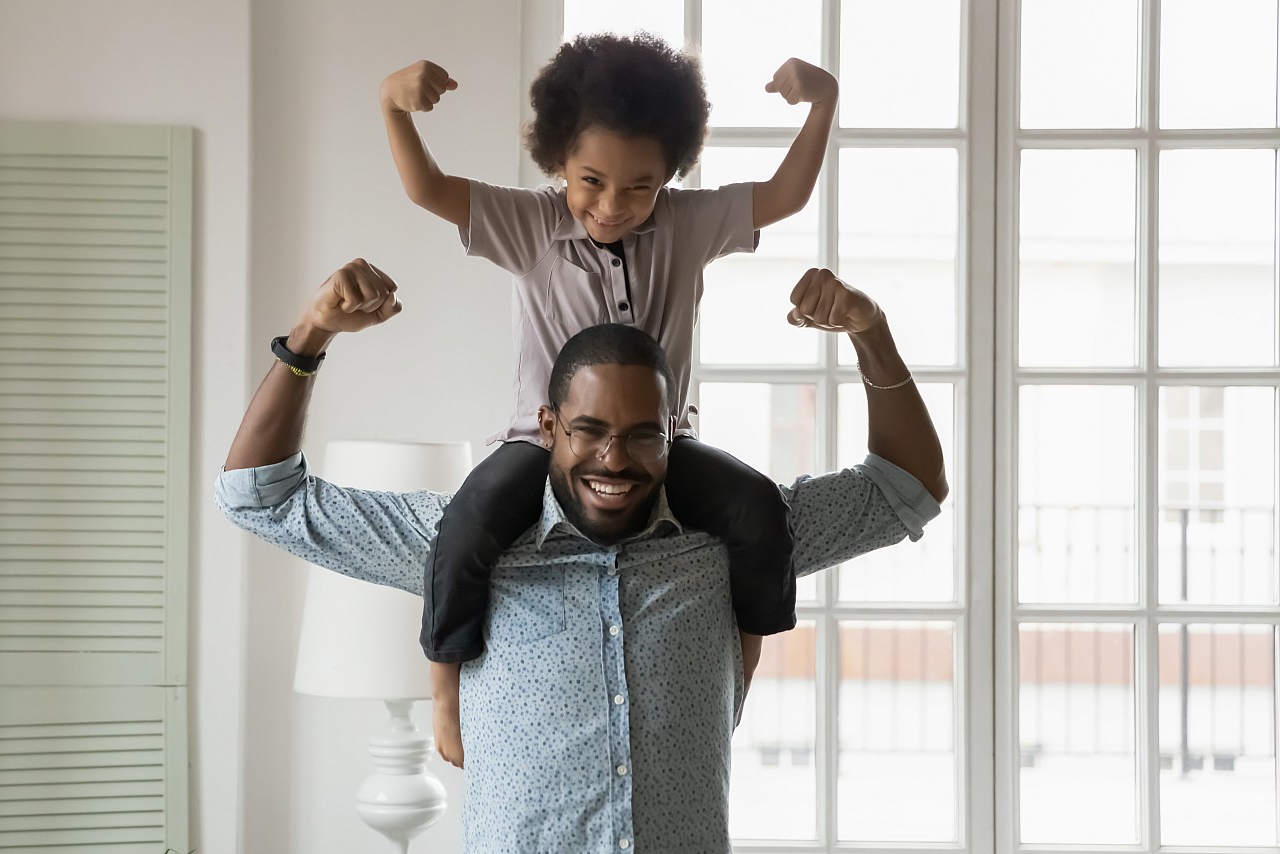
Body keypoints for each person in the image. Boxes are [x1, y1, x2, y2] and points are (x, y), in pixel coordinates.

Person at [216, 259, 947, 852]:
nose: (612, 458)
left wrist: (871, 333)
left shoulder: (733, 539)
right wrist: (310, 335)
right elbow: (260, 497)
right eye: (588, 430)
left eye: (640, 434)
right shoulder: (464, 542)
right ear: (547, 426)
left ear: (674, 431)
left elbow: (908, 489)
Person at [378, 33, 841, 765]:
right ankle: (442, 690)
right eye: (591, 181)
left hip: (665, 447)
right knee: (464, 527)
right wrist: (394, 109)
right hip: (545, 446)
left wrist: (822, 107)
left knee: (758, 512)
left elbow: (784, 196)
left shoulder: (688, 226)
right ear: (558, 159)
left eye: (640, 186)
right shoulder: (530, 225)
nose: (613, 205)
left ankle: (740, 677)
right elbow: (428, 189)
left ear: (670, 175)